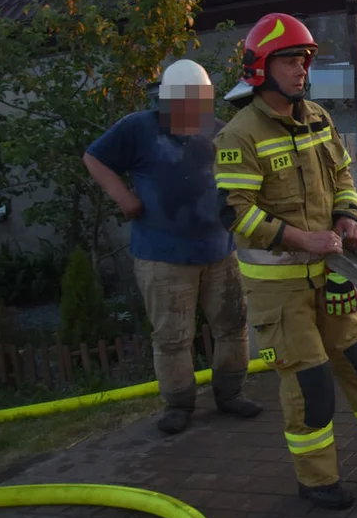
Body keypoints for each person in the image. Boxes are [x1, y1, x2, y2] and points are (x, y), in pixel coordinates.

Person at [213, 12, 357, 510]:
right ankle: (316, 480)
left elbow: (343, 176)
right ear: (260, 68)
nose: (301, 69)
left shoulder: (319, 119)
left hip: (332, 274)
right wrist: (302, 238)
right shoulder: (239, 134)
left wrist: (347, 217)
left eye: (304, 59)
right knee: (311, 382)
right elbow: (235, 214)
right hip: (279, 290)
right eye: (289, 60)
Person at [83, 59, 261, 435]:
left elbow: (244, 173)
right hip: (162, 256)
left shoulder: (216, 131)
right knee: (172, 336)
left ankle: (230, 394)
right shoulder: (137, 128)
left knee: (233, 325)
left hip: (219, 250)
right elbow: (93, 157)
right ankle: (179, 405)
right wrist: (123, 197)